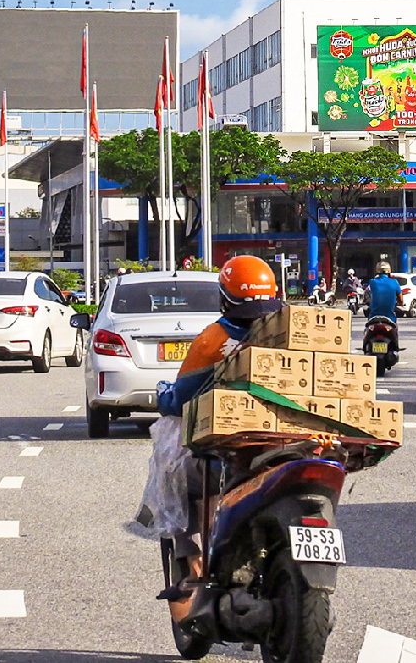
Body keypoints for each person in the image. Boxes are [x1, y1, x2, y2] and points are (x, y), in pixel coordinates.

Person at [148, 255, 283, 609]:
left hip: (234, 455)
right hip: (297, 449)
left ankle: (193, 558)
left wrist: (163, 395)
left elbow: (181, 398)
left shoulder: (214, 338)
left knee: (175, 473)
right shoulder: (295, 329)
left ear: (225, 299)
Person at [365, 261, 401, 351]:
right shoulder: (394, 282)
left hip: (374, 317)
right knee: (395, 328)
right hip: (389, 318)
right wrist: (400, 303)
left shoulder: (373, 282)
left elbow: (369, 294)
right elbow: (401, 299)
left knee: (366, 329)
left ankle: (364, 346)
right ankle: (396, 347)